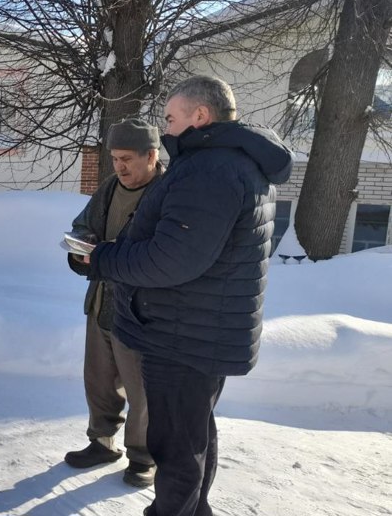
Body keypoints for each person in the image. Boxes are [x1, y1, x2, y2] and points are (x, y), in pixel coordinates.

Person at [86, 76, 293, 516]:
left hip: (184, 336)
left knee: (176, 448)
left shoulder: (211, 168)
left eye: (170, 117)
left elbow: (171, 260)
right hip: (200, 327)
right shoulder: (232, 162)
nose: (165, 129)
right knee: (193, 437)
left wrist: (104, 260)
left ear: (200, 116)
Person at [65, 118, 163, 488]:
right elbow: (82, 225)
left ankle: (143, 457)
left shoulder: (166, 193)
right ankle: (101, 442)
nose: (119, 166)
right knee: (99, 381)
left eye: (126, 159)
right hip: (101, 301)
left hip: (140, 312)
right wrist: (80, 249)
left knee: (142, 391)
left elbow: (163, 255)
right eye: (114, 159)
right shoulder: (108, 188)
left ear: (151, 156)